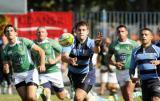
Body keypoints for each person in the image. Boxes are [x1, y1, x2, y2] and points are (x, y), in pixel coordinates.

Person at [2, 24, 45, 101]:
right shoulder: (5, 49)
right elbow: (6, 64)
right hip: (17, 75)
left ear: (16, 33)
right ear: (5, 34)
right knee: (25, 99)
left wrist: (42, 64)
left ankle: (38, 91)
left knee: (30, 98)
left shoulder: (23, 41)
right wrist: (6, 68)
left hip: (30, 71)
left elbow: (41, 51)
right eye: (7, 31)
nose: (9, 32)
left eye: (11, 30)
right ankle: (38, 91)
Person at [61, 21, 102, 101]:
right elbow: (64, 56)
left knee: (78, 97)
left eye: (83, 30)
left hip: (87, 73)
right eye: (79, 30)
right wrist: (69, 59)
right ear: (75, 31)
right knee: (86, 98)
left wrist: (97, 45)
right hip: (73, 74)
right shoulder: (70, 41)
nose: (81, 32)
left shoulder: (91, 42)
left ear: (87, 31)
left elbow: (96, 51)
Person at [33, 26, 66, 101]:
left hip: (54, 72)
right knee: (46, 95)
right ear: (36, 34)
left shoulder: (51, 42)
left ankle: (66, 92)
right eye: (39, 32)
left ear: (46, 34)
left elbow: (63, 53)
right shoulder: (33, 44)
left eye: (42, 32)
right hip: (42, 73)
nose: (40, 33)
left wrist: (55, 61)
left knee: (62, 97)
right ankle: (41, 91)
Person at [107, 24, 137, 101]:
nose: (121, 33)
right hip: (119, 72)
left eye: (123, 31)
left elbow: (139, 57)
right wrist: (115, 64)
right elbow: (108, 59)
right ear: (117, 33)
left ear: (126, 32)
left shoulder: (134, 44)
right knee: (124, 96)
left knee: (129, 92)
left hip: (130, 71)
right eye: (119, 31)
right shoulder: (113, 45)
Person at [130, 28, 160, 101]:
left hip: (156, 80)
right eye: (142, 35)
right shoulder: (135, 51)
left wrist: (159, 61)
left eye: (146, 35)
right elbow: (132, 67)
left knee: (156, 98)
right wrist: (132, 75)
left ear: (151, 37)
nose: (144, 36)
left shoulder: (157, 49)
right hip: (143, 81)